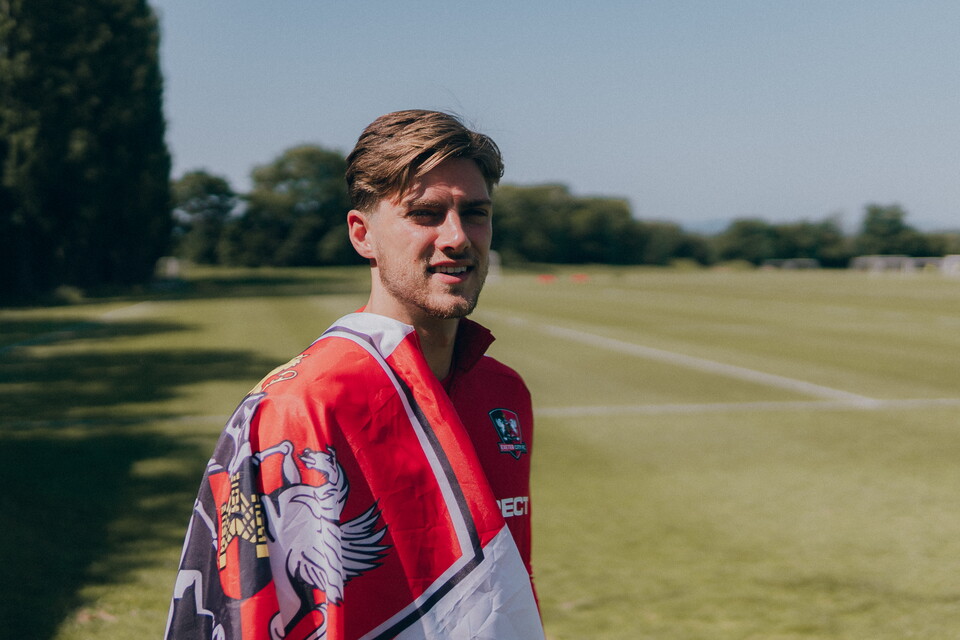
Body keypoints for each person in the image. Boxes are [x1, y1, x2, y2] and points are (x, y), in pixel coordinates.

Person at [165, 110, 544, 640]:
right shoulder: (302, 403)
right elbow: (244, 608)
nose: (457, 237)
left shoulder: (504, 391)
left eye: (474, 213)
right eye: (427, 213)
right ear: (362, 235)